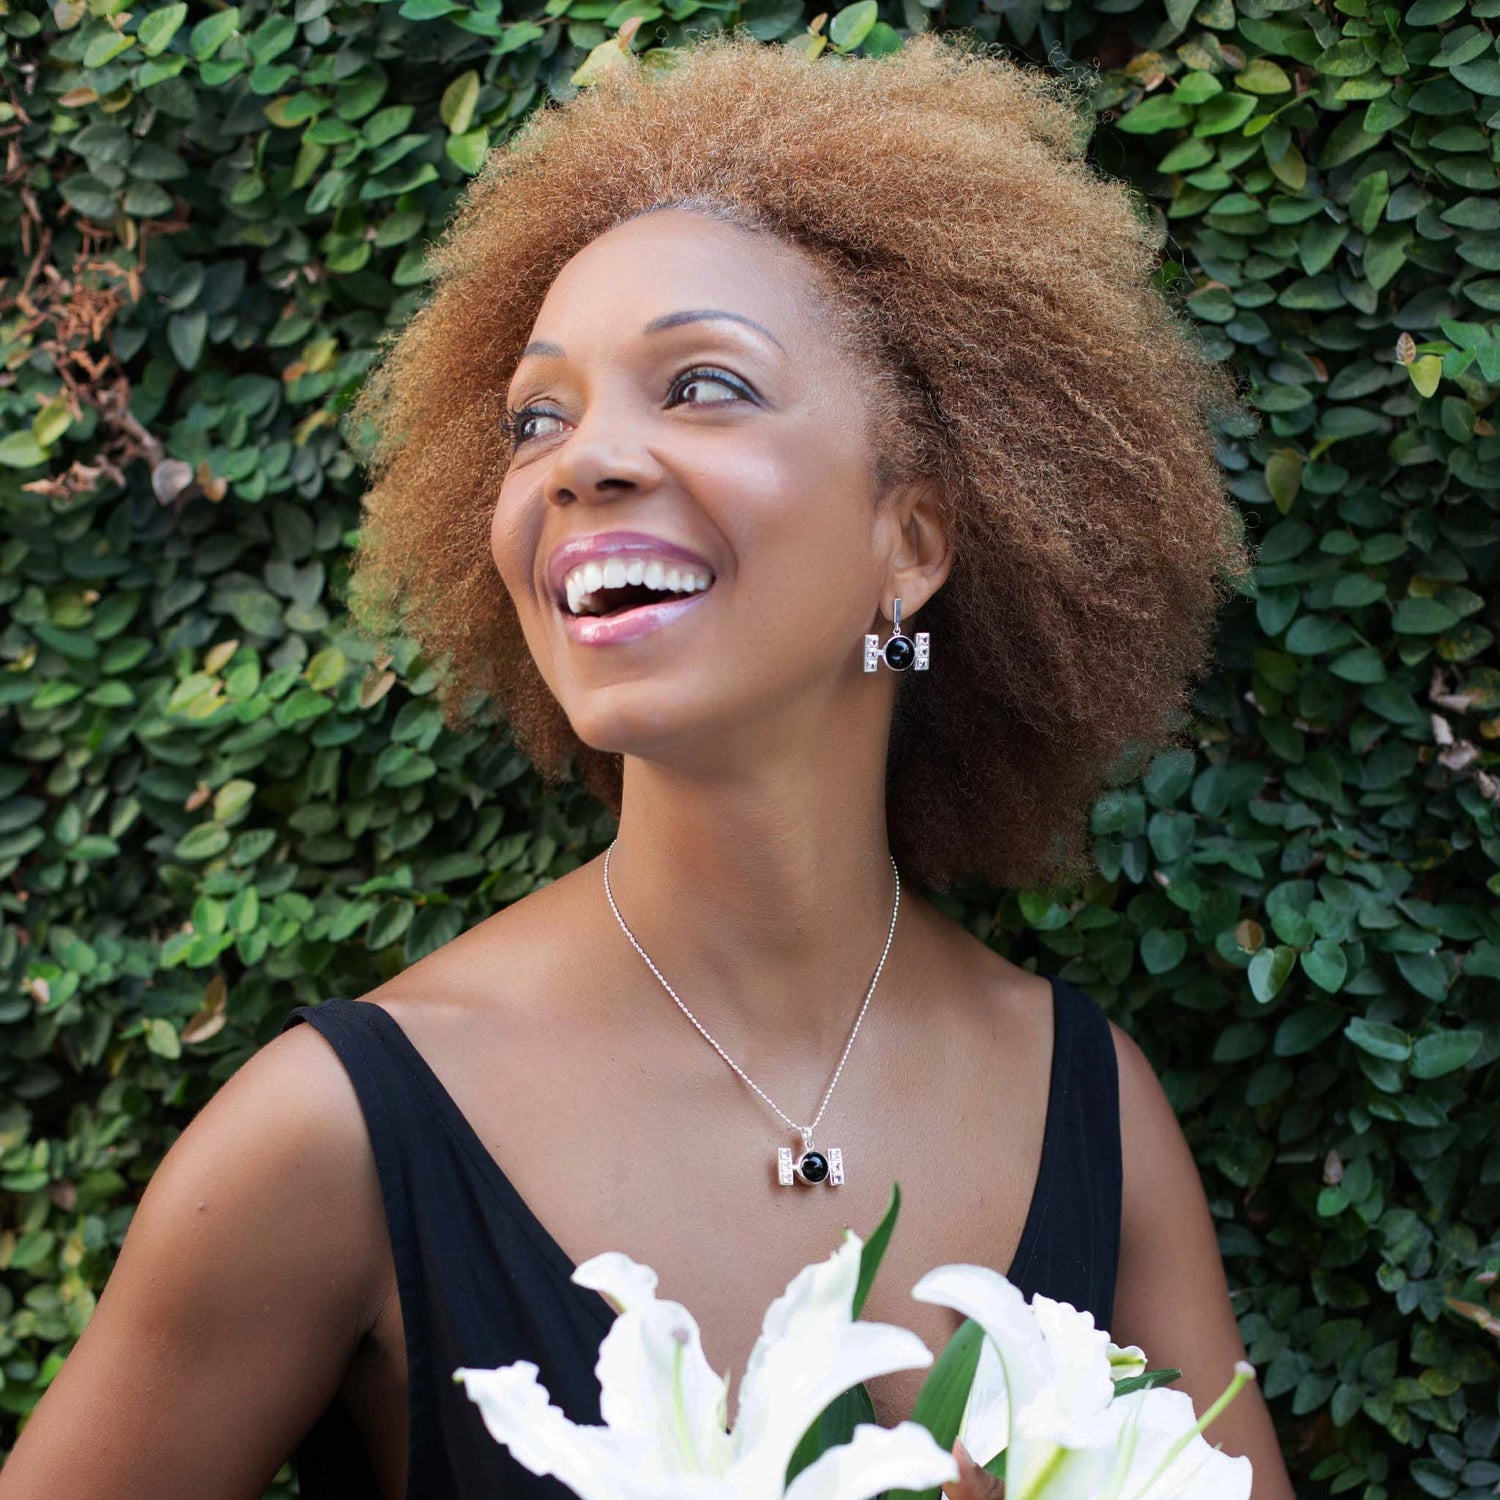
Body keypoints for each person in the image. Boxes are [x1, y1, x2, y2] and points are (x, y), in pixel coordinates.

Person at [1, 31, 1297, 1500]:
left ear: (915, 540)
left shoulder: (1089, 1101)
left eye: (702, 387)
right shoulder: (328, 1140)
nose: (580, 462)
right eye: (536, 417)